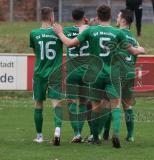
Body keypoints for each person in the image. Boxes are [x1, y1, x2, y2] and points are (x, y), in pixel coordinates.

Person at [53, 4, 145, 148]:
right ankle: (115, 133)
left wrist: (59, 33)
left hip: (95, 75)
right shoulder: (118, 33)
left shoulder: (91, 30)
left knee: (96, 107)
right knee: (115, 106)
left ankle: (95, 137)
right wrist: (141, 49)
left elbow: (70, 44)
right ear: (110, 16)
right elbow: (133, 51)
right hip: (111, 74)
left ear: (98, 15)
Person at [29, 7, 63, 146]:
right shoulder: (59, 32)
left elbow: (36, 52)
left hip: (39, 73)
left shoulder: (34, 33)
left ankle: (39, 136)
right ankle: (57, 130)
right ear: (51, 17)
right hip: (55, 73)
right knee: (56, 103)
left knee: (38, 104)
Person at [103, 9, 138, 142]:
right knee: (128, 105)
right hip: (130, 73)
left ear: (123, 20)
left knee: (110, 103)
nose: (116, 19)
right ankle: (130, 135)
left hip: (117, 72)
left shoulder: (116, 34)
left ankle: (106, 133)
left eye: (118, 17)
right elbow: (135, 55)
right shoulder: (134, 39)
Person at [63, 7, 92, 143]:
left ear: (72, 17)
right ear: (84, 16)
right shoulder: (90, 30)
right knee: (85, 102)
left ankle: (77, 133)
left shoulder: (67, 31)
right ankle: (87, 133)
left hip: (72, 71)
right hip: (86, 71)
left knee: (71, 102)